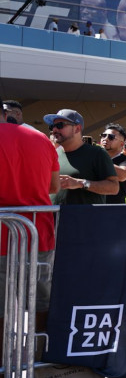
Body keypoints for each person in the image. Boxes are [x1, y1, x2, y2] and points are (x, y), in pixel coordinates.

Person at [0, 96, 60, 352]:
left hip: (5, 235)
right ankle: (40, 359)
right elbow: (54, 187)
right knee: (40, 300)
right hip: (37, 233)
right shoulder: (41, 138)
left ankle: (4, 365)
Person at [44, 109, 118, 205]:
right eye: (52, 126)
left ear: (77, 129)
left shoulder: (97, 153)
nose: (54, 130)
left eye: (60, 125)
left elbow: (114, 187)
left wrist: (81, 183)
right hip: (53, 214)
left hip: (84, 214)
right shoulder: (53, 154)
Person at [100, 123, 126, 204]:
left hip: (114, 208)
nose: (105, 139)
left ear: (122, 144)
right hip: (91, 206)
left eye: (111, 137)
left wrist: (98, 158)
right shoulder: (95, 157)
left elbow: (122, 175)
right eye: (103, 135)